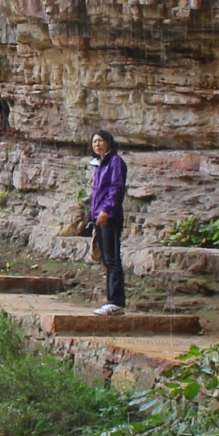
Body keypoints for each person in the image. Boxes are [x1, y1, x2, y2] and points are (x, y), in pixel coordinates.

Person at [89, 129, 127, 314]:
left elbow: (117, 188)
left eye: (100, 140)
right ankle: (113, 301)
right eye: (94, 141)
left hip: (109, 217)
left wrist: (106, 210)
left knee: (112, 259)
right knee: (107, 259)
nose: (97, 144)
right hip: (100, 217)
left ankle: (116, 302)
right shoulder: (99, 165)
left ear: (108, 142)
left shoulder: (115, 162)